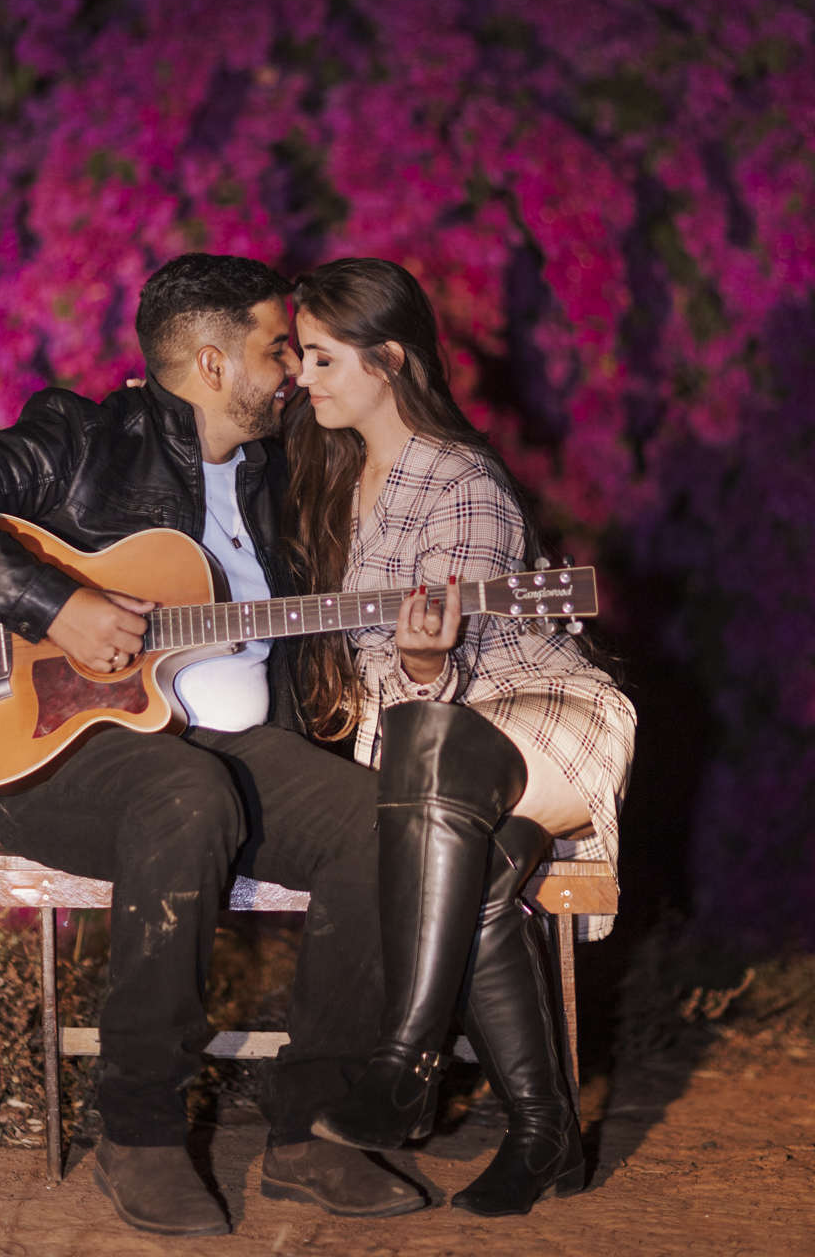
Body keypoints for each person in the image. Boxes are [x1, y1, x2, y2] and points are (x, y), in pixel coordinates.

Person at [0, 253, 427, 1236]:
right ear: (209, 364)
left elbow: (342, 630)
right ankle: (140, 1131)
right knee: (186, 791)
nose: (293, 366)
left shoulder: (285, 473)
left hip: (233, 746)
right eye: (274, 346)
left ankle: (314, 1132)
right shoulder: (82, 441)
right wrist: (56, 601)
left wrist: (417, 647)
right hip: (59, 756)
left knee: (378, 818)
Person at [281, 257, 636, 1218]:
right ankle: (545, 1134)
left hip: (544, 725)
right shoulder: (338, 478)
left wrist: (429, 667)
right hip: (437, 773)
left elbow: (454, 696)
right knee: (473, 888)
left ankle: (403, 1063)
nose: (299, 377)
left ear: (387, 358)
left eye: (319, 358)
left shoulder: (462, 482)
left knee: (433, 745)